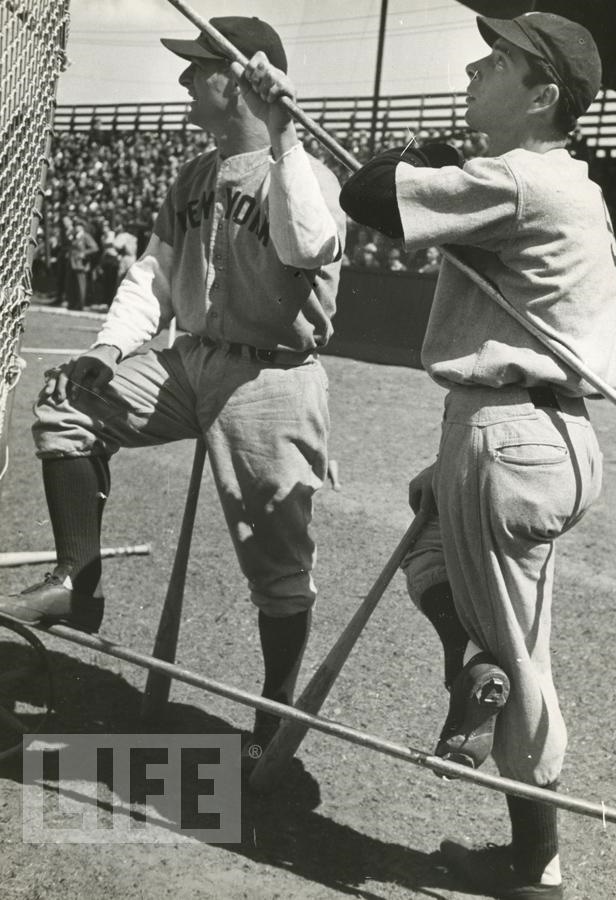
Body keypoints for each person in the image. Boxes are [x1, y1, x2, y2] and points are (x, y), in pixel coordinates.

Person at [0, 16, 345, 762]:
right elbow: (155, 272)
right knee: (67, 401)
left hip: (273, 376)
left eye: (198, 69)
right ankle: (76, 582)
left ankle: (272, 713)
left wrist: (285, 136)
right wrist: (108, 344)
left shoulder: (306, 171)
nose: (185, 80)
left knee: (275, 569)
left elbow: (311, 244)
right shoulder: (194, 173)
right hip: (191, 360)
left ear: (242, 79)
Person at [340, 11, 616, 899]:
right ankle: (475, 678)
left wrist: (421, 150)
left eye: (495, 61)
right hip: (546, 434)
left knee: (520, 658)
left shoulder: (521, 179)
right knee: (431, 555)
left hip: (507, 429)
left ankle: (536, 867)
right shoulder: (557, 179)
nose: (471, 66)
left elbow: (365, 196)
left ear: (542, 97)